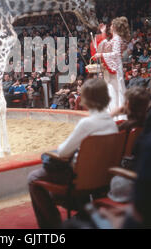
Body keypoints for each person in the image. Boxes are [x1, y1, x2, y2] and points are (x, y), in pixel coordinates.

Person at [28, 79, 118, 229]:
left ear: (86, 99)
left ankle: (53, 226)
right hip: (102, 178)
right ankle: (81, 211)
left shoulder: (87, 124)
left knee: (33, 178)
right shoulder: (112, 123)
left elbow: (63, 151)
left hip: (81, 178)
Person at [94, 17, 130, 118]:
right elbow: (106, 44)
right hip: (113, 67)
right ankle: (114, 115)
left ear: (114, 27)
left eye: (110, 26)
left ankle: (118, 116)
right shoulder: (116, 38)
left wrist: (102, 55)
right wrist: (103, 32)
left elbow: (116, 54)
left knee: (116, 91)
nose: (109, 27)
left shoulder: (117, 38)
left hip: (116, 68)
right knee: (112, 90)